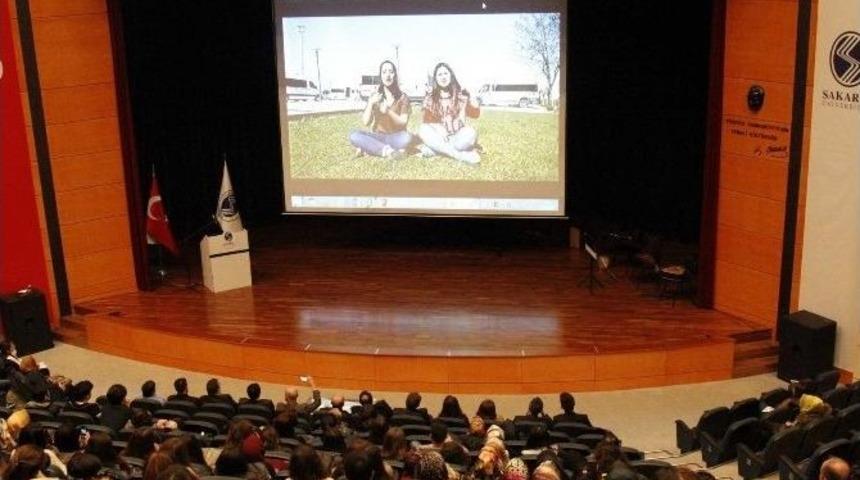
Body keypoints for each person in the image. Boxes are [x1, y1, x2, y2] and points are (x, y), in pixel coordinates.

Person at [418, 62, 481, 165]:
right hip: (440, 137)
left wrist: (471, 95)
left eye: (446, 74)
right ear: (435, 79)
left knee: (471, 132)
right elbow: (427, 120)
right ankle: (459, 155)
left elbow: (475, 114)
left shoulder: (461, 96)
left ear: (451, 76)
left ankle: (436, 150)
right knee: (423, 129)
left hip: (458, 137)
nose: (443, 77)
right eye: (440, 75)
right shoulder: (431, 98)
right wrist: (439, 129)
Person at [348, 60, 412, 159]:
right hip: (378, 137)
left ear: (395, 75)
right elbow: (366, 122)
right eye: (384, 72)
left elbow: (403, 122)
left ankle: (370, 148)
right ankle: (389, 151)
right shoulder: (375, 96)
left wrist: (388, 111)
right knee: (354, 135)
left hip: (396, 137)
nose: (387, 75)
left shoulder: (403, 98)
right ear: (380, 76)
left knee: (406, 137)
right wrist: (370, 103)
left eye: (391, 72)